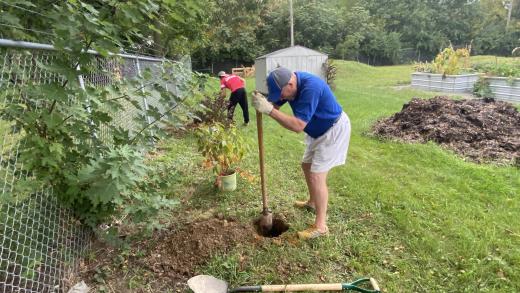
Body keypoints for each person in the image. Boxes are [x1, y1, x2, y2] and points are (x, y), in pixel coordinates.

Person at [251, 67, 351, 240]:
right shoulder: (287, 86)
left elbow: (297, 126)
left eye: (281, 94)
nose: (281, 98)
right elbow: (274, 104)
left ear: (290, 83)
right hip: (317, 132)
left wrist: (269, 110)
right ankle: (312, 202)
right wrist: (262, 101)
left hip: (333, 130)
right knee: (306, 165)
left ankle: (320, 227)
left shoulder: (310, 87)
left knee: (316, 176)